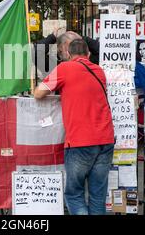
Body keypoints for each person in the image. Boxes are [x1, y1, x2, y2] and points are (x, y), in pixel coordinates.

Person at [33, 38, 114, 215]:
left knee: (74, 194)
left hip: (80, 141)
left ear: (68, 54)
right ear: (89, 54)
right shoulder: (99, 70)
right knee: (98, 196)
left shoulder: (64, 68)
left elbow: (39, 93)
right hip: (106, 139)